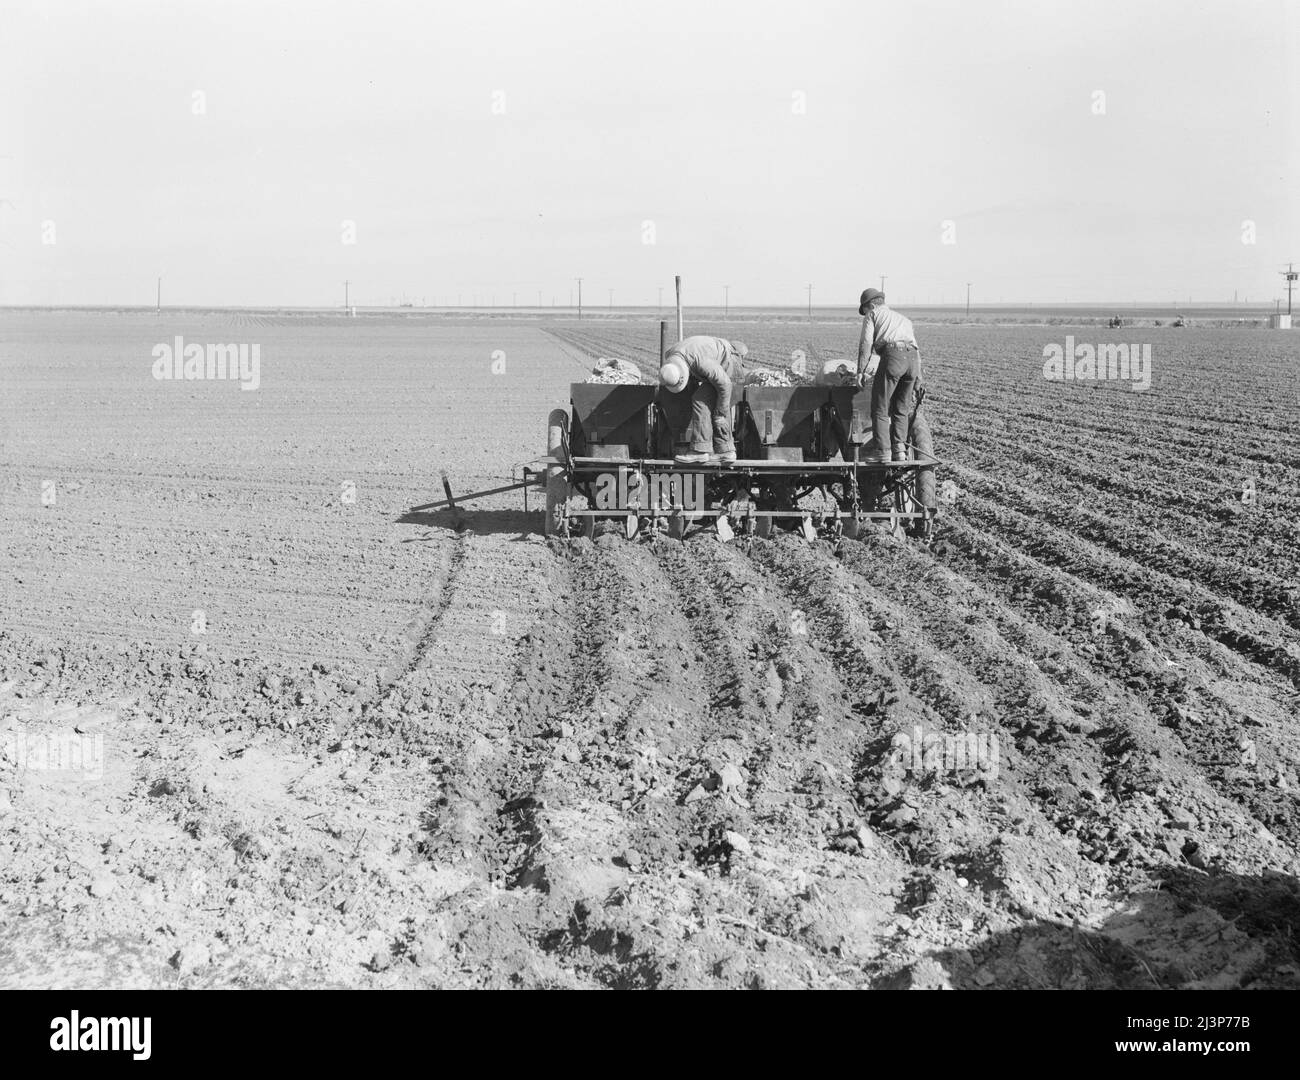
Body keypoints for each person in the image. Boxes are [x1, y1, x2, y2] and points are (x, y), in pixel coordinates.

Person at [856, 288, 921, 462]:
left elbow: (866, 343)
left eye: (865, 311)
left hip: (893, 357)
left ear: (870, 305)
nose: (866, 314)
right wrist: (918, 380)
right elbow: (916, 348)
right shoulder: (904, 319)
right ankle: (899, 451)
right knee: (901, 409)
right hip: (912, 360)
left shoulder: (873, 315)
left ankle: (882, 451)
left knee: (880, 407)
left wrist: (861, 371)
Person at [659, 336, 748, 464]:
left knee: (701, 401)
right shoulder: (671, 356)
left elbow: (725, 384)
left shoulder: (700, 361)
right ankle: (725, 451)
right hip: (716, 362)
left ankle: (701, 451)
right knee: (704, 399)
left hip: (729, 363)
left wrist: (721, 414)